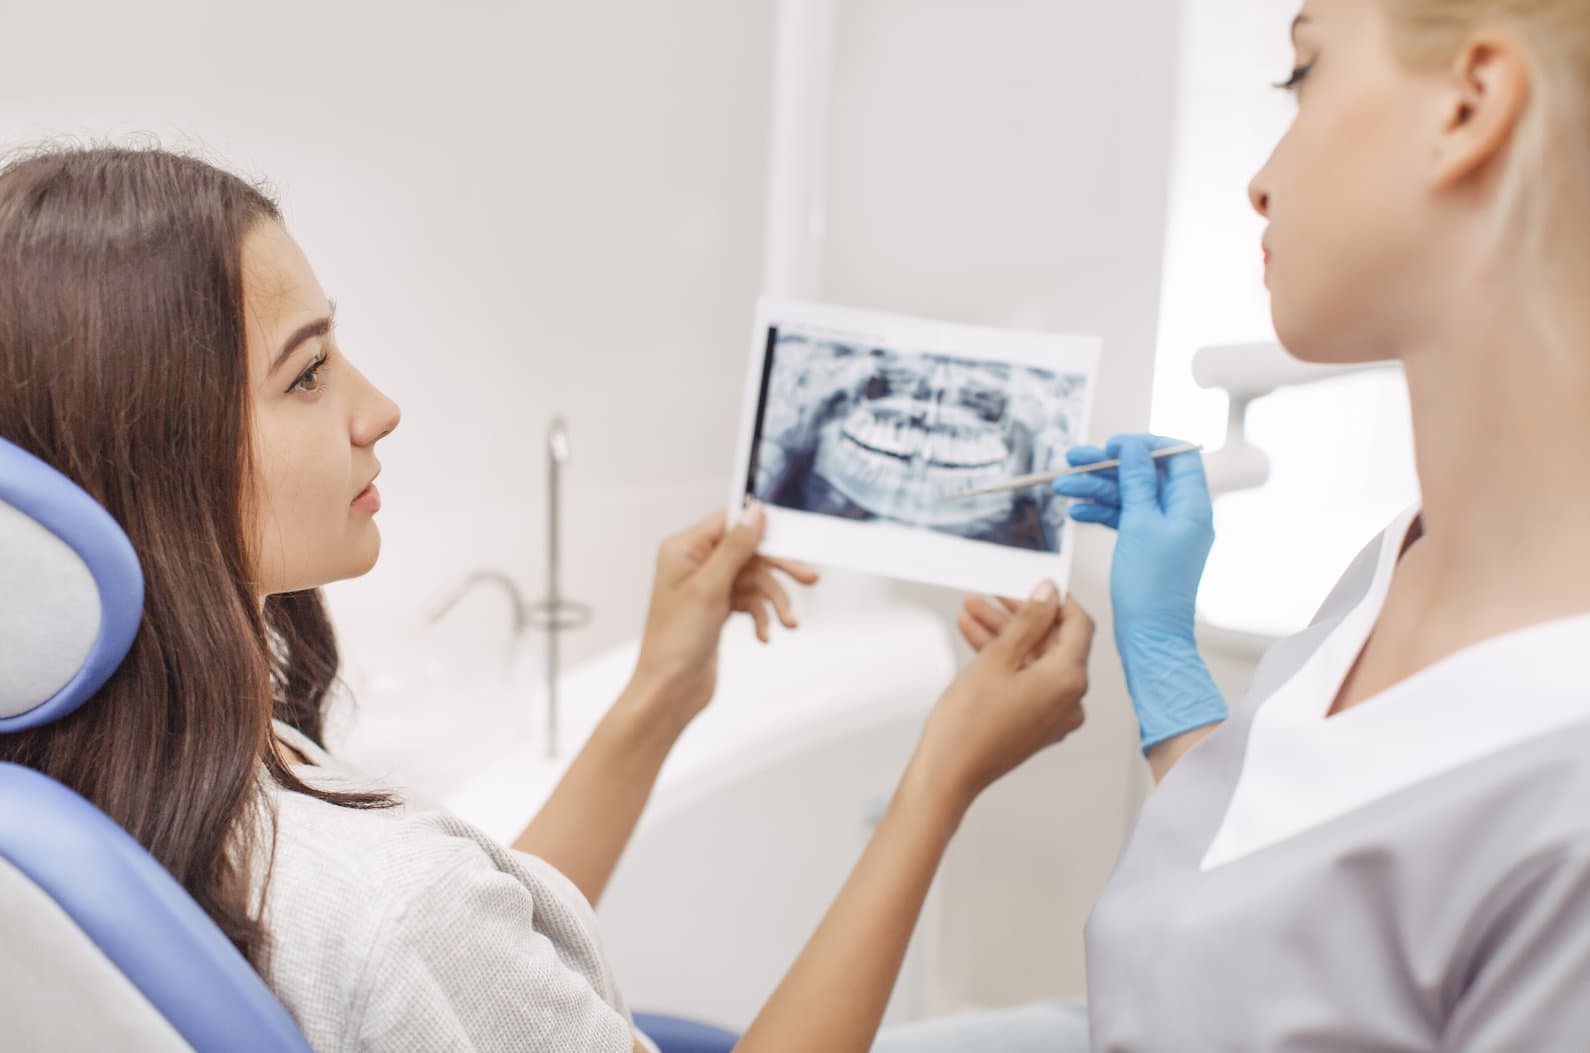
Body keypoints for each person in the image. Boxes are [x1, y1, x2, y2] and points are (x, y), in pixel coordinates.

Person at [0, 144, 1096, 1052]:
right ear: (155, 461)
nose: (377, 407)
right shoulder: (387, 905)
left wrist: (661, 691)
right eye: (307, 373)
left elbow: (460, 974)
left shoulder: (114, 783)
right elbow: (423, 941)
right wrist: (942, 777)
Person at [962, 0, 1590, 1046]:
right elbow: (1291, 893)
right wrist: (1163, 660)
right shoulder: (1403, 559)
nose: (1259, 180)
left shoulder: (1567, 819)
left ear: (1472, 103)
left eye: (1301, 77)